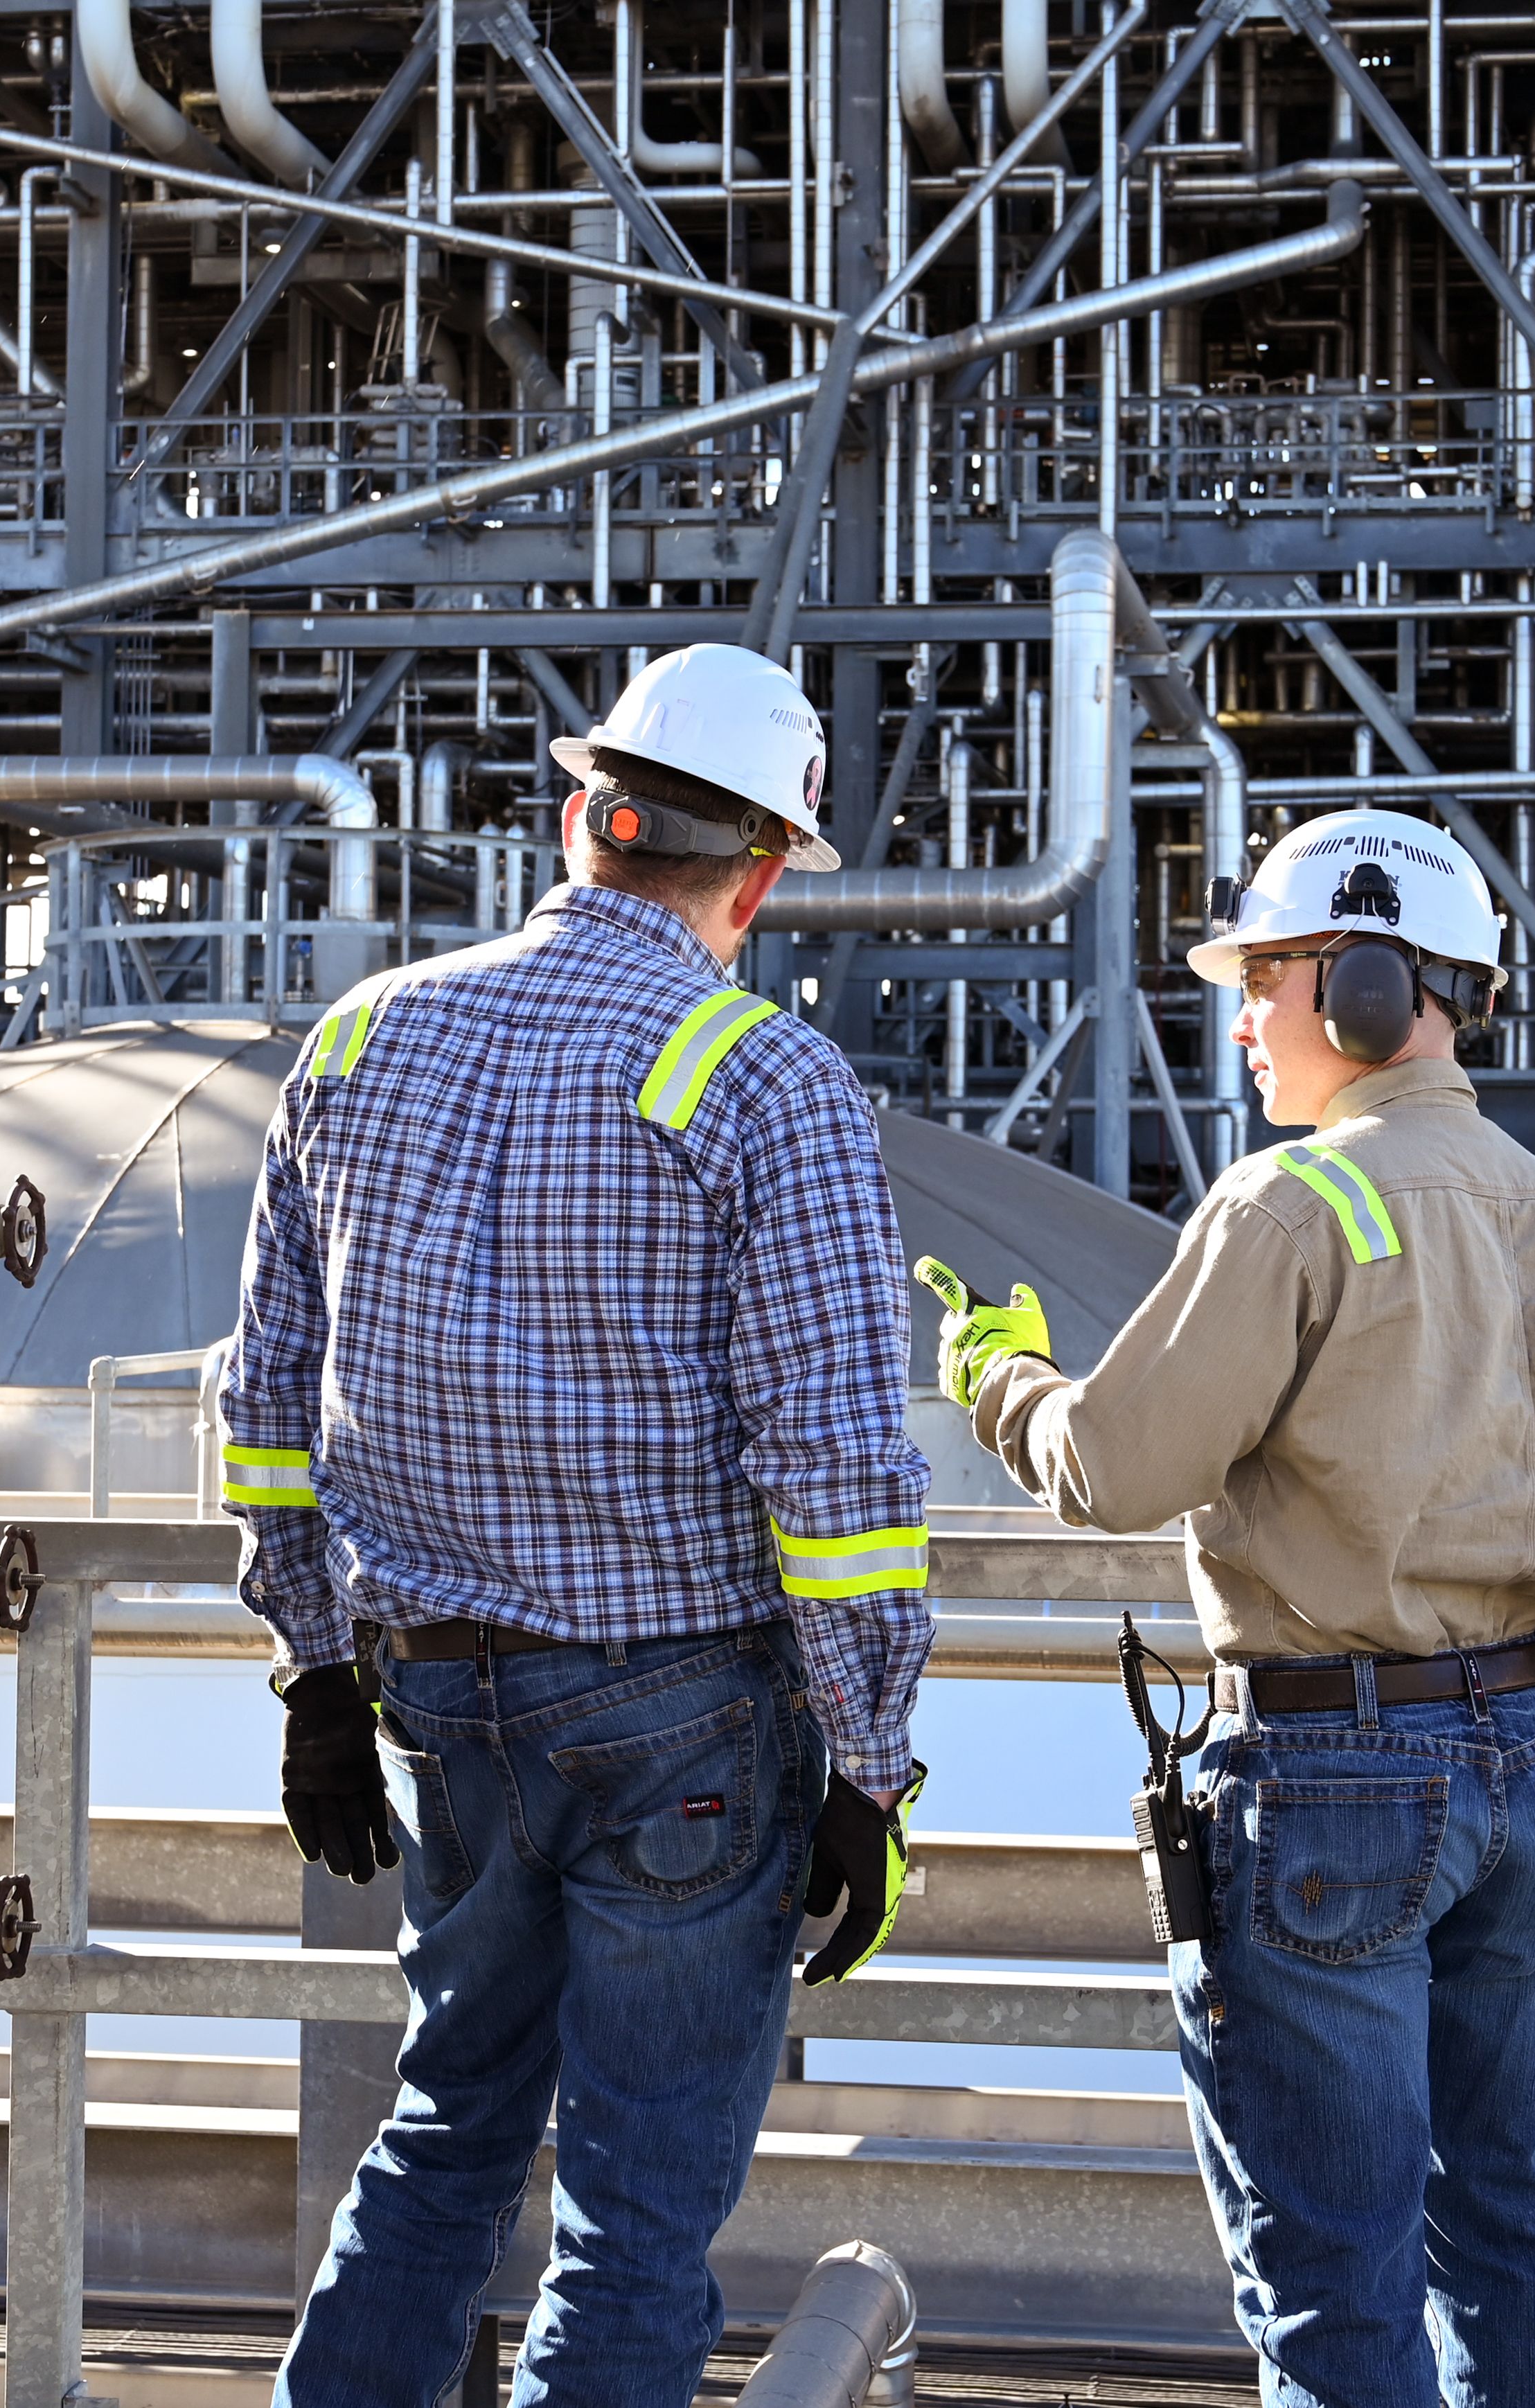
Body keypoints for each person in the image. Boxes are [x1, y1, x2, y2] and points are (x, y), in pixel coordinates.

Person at [222, 643, 935, 2408]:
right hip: (683, 1725)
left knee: (442, 2137)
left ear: (580, 818)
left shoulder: (361, 1036)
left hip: (436, 1704)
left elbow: (265, 1398)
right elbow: (839, 1476)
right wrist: (868, 1770)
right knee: (633, 2218)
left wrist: (314, 1673)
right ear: (759, 875)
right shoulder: (762, 1080)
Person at [923, 806, 1535, 2408]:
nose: (1242, 1020)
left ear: (1366, 987)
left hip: (1339, 1781)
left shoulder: (1294, 1205)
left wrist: (1002, 1376)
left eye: (1264, 979)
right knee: (1509, 2216)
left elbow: (1115, 1467)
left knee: (1332, 2267)